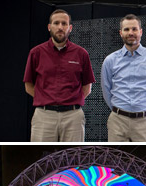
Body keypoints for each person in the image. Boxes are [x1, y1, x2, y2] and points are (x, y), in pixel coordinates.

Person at [23, 9, 95, 142]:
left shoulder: (81, 53)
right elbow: (28, 85)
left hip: (73, 116)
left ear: (70, 28)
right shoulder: (36, 53)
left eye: (64, 23)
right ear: (49, 27)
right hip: (44, 116)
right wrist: (47, 99)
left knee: (75, 156)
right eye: (56, 23)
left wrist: (68, 101)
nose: (60, 27)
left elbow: (87, 87)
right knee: (41, 155)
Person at [101, 14, 146, 142]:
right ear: (121, 33)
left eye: (134, 29)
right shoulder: (110, 60)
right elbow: (106, 90)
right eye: (127, 29)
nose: (131, 33)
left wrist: (145, 108)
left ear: (140, 32)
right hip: (117, 121)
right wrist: (118, 109)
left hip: (144, 121)